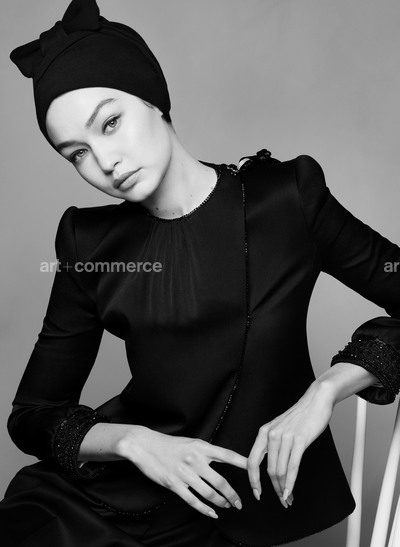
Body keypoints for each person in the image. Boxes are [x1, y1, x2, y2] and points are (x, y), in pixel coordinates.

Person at [1, 0, 400, 545]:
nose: (105, 161)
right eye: (77, 153)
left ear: (154, 100)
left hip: (230, 511)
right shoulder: (87, 243)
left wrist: (326, 390)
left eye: (111, 123)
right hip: (101, 503)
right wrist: (133, 442)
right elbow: (33, 414)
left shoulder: (286, 201)